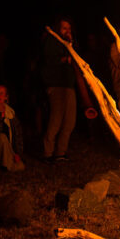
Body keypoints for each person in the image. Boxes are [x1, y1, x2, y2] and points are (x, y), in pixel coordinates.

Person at [40, 17, 91, 163]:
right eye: (64, 28)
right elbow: (48, 60)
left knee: (70, 121)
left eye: (69, 28)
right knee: (56, 119)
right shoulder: (52, 39)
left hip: (69, 85)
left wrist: (71, 46)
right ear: (58, 28)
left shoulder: (70, 43)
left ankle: (60, 153)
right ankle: (48, 153)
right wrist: (65, 59)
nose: (67, 31)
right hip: (56, 85)